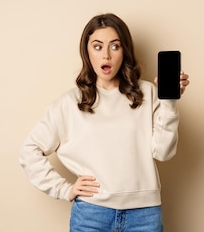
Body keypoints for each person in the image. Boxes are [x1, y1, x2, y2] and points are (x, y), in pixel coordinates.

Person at [18, 13, 190, 232]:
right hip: (91, 215)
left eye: (115, 46)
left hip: (145, 215)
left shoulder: (148, 93)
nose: (106, 56)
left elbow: (164, 153)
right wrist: (64, 189)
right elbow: (28, 151)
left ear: (125, 50)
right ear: (87, 51)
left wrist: (169, 102)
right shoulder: (69, 103)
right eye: (98, 47)